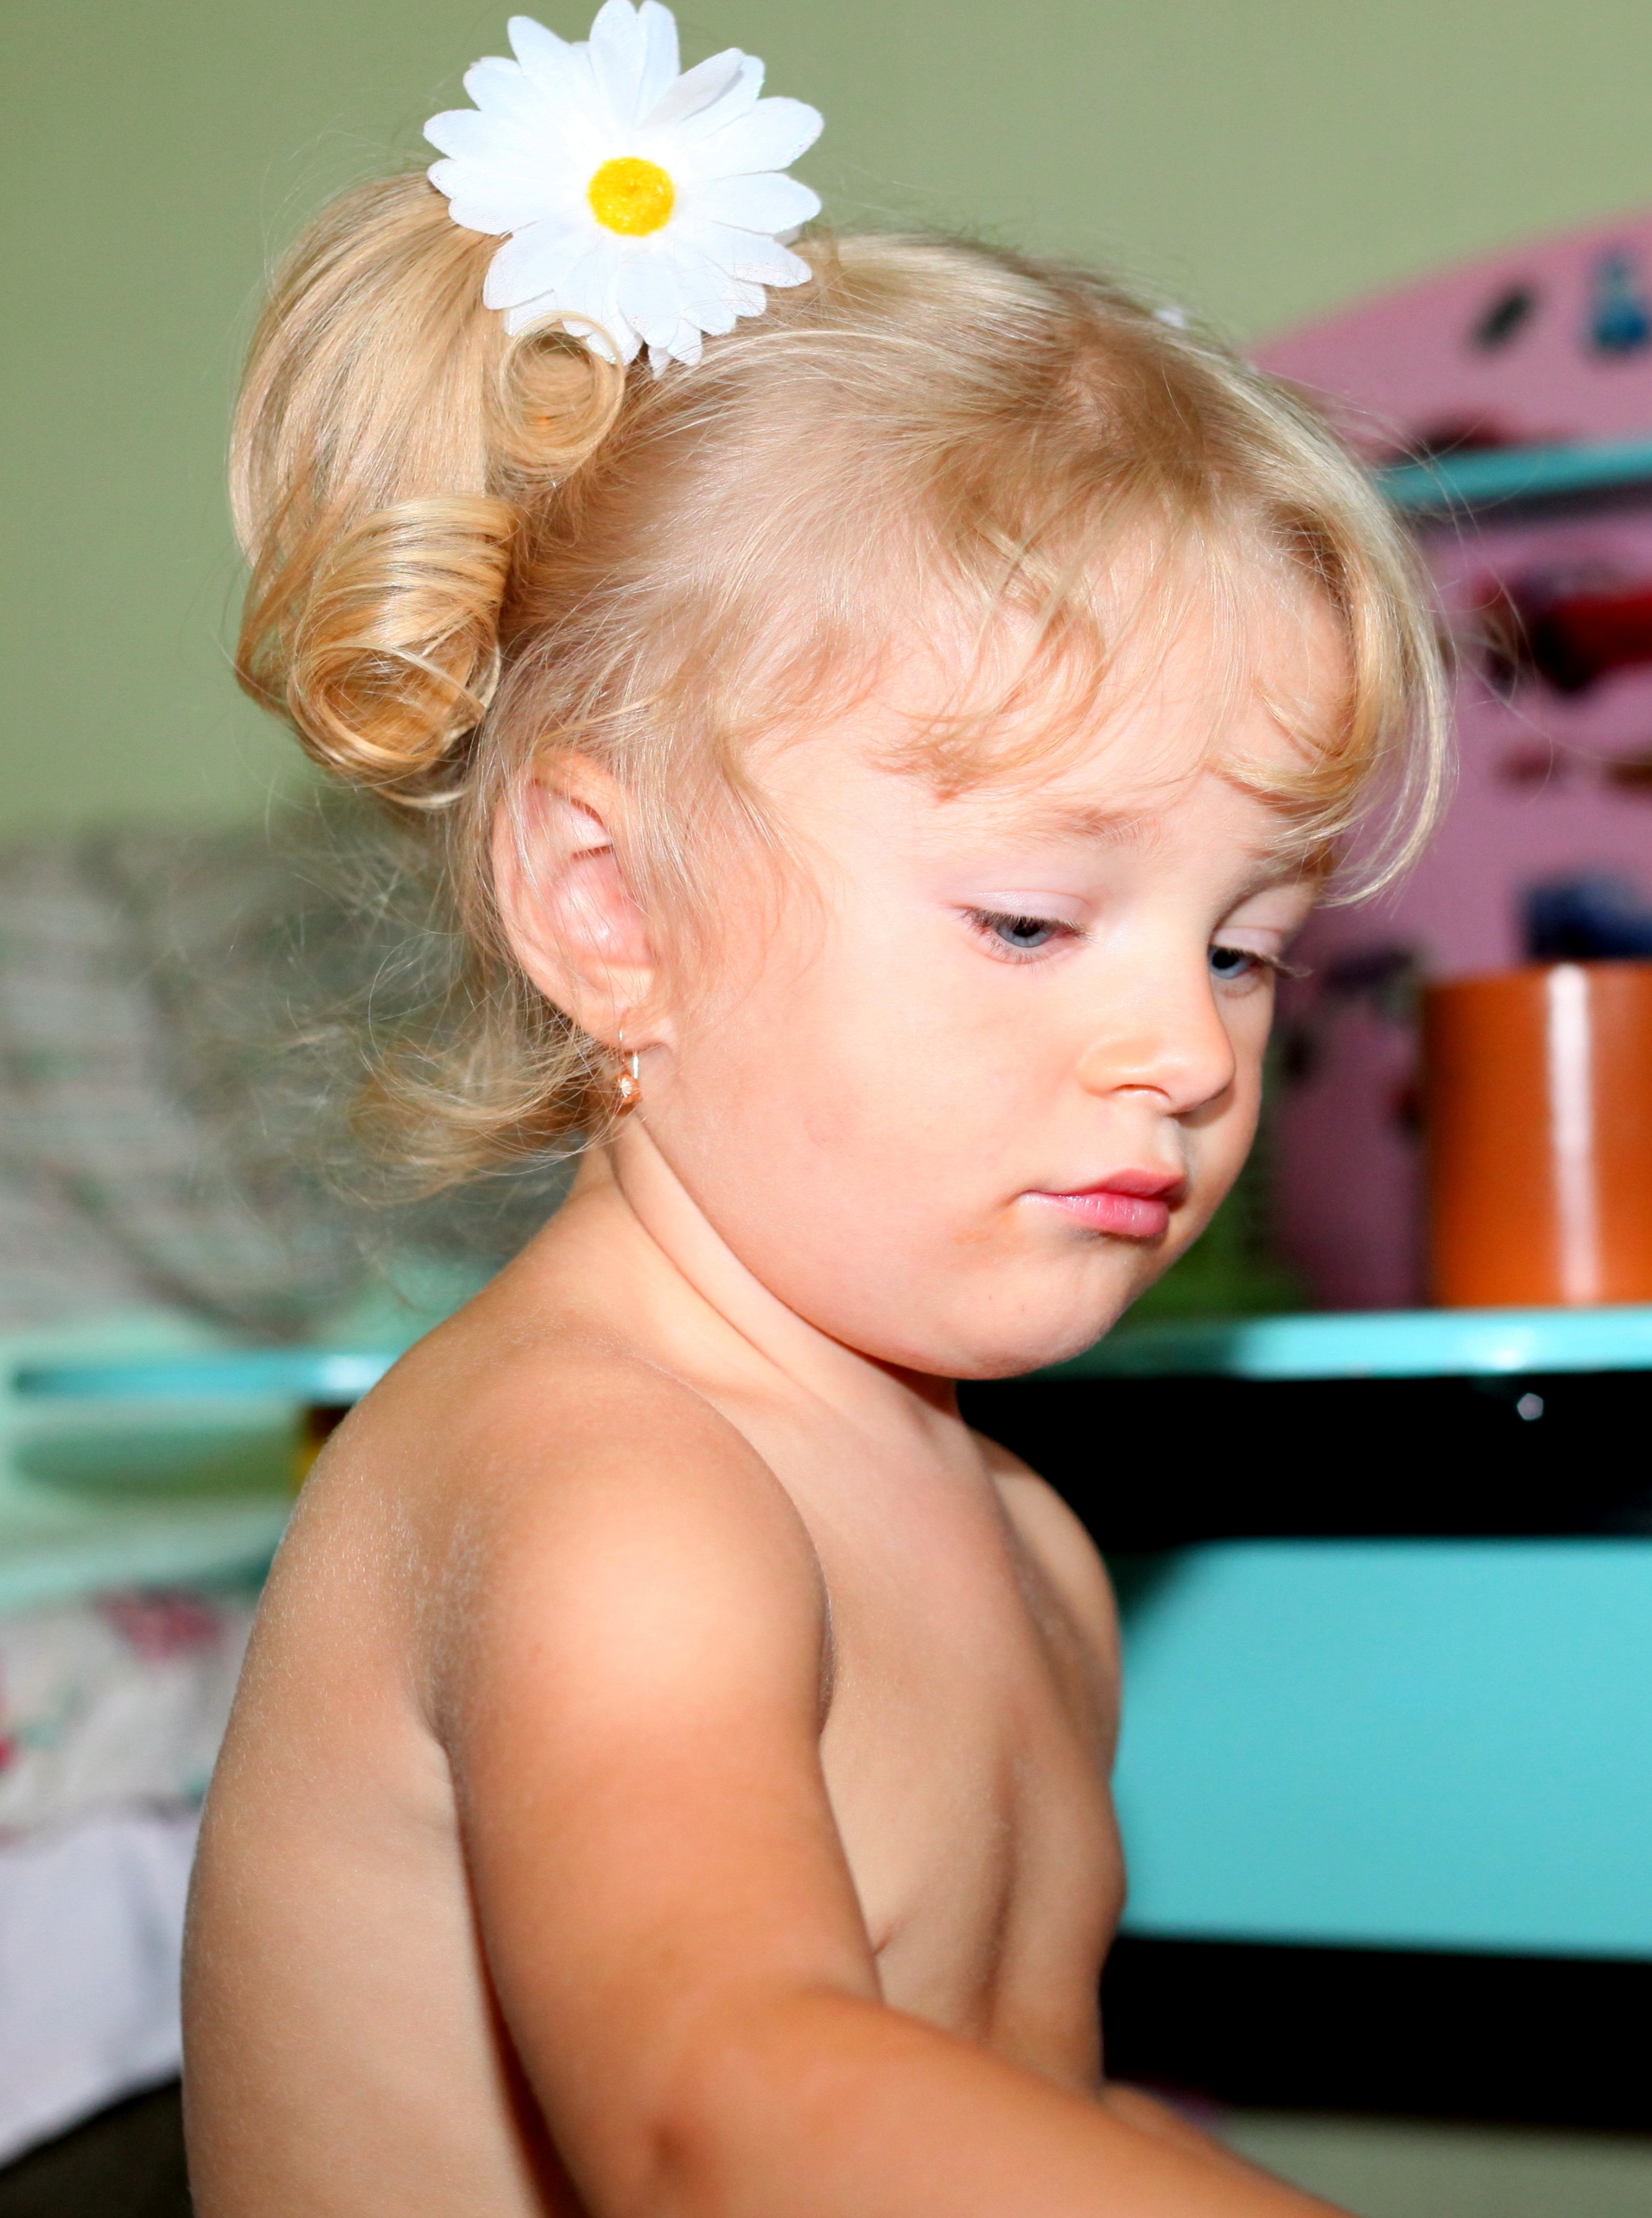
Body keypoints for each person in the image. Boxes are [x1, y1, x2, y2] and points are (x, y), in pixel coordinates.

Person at [182, 7, 1446, 2211]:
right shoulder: (606, 1483)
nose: (1189, 1048)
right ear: (611, 908)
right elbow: (719, 2106)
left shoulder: (1026, 1547)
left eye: (1241, 944)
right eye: (1039, 923)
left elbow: (970, 2093)